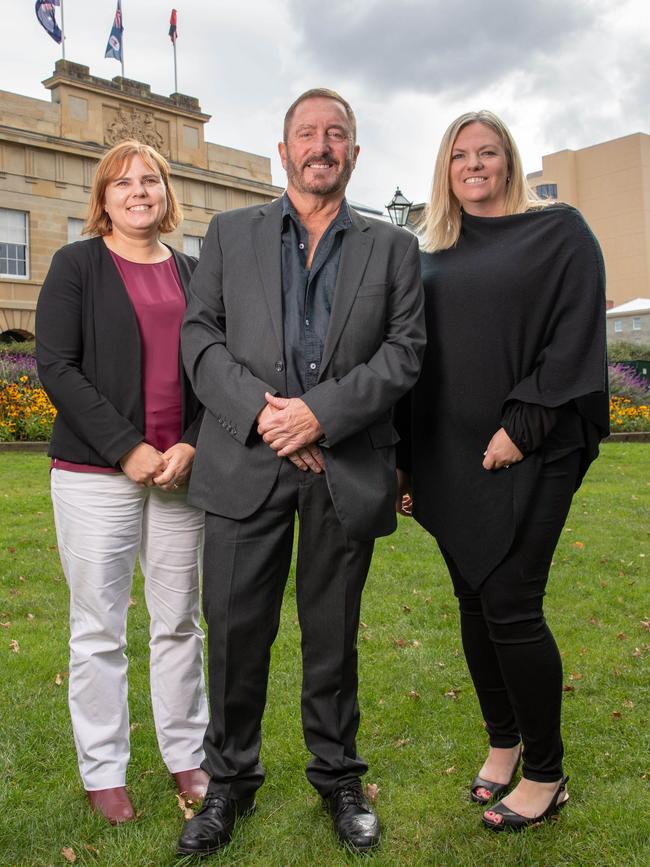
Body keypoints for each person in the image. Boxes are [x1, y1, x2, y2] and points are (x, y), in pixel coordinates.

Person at [176, 88, 425, 856]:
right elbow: (200, 336)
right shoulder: (228, 232)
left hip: (342, 468)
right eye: (307, 134)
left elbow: (404, 352)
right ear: (283, 150)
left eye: (337, 134)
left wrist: (318, 414)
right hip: (244, 461)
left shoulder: (393, 248)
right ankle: (229, 783)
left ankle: (339, 775)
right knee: (236, 631)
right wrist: (265, 413)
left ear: (355, 152)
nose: (322, 145)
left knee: (332, 633)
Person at [395, 110, 608, 831]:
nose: (475, 165)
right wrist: (403, 460)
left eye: (488, 152)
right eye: (461, 155)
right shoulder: (427, 255)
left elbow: (573, 331)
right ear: (445, 169)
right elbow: (412, 365)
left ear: (509, 161)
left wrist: (522, 425)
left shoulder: (559, 233)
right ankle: (503, 741)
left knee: (512, 602)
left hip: (534, 447)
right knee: (474, 603)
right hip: (448, 459)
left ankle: (547, 775)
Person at [35, 140, 210, 825]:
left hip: (180, 474)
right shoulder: (76, 265)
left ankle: (186, 754)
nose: (139, 191)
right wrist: (127, 448)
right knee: (100, 628)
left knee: (178, 623)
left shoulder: (194, 273)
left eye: (151, 180)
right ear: (103, 199)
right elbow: (57, 365)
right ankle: (104, 769)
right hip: (94, 473)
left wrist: (192, 440)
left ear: (166, 194)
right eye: (124, 182)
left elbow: (211, 365)